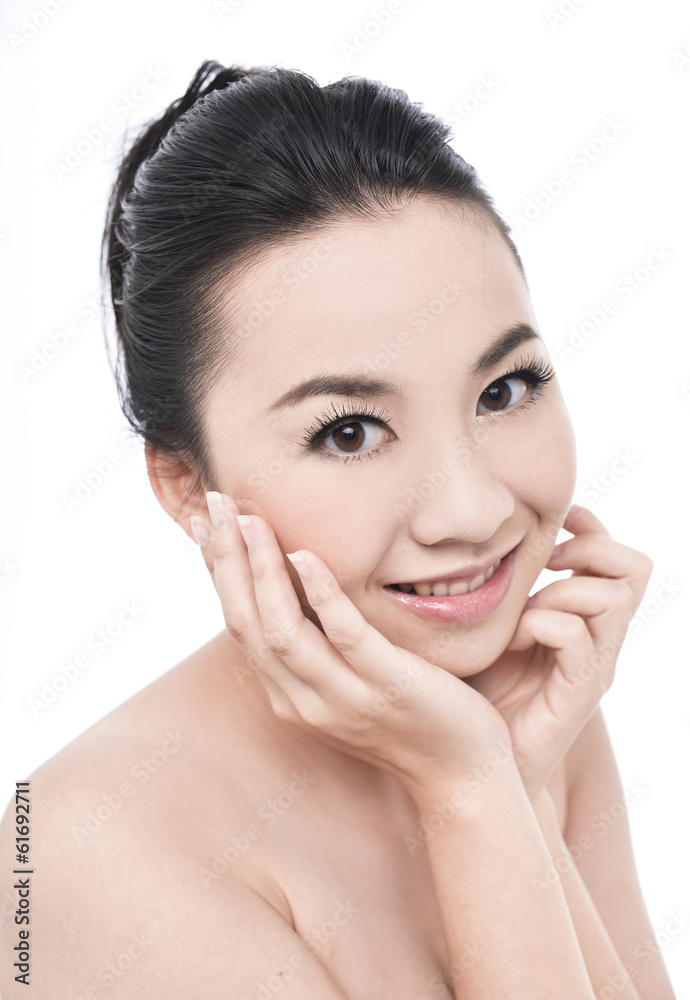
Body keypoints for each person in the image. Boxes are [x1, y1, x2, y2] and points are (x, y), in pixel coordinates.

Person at [0, 60, 677, 999]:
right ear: (190, 485)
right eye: (350, 431)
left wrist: (500, 788)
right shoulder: (76, 849)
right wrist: (478, 793)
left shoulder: (518, 702)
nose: (473, 511)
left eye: (503, 389)